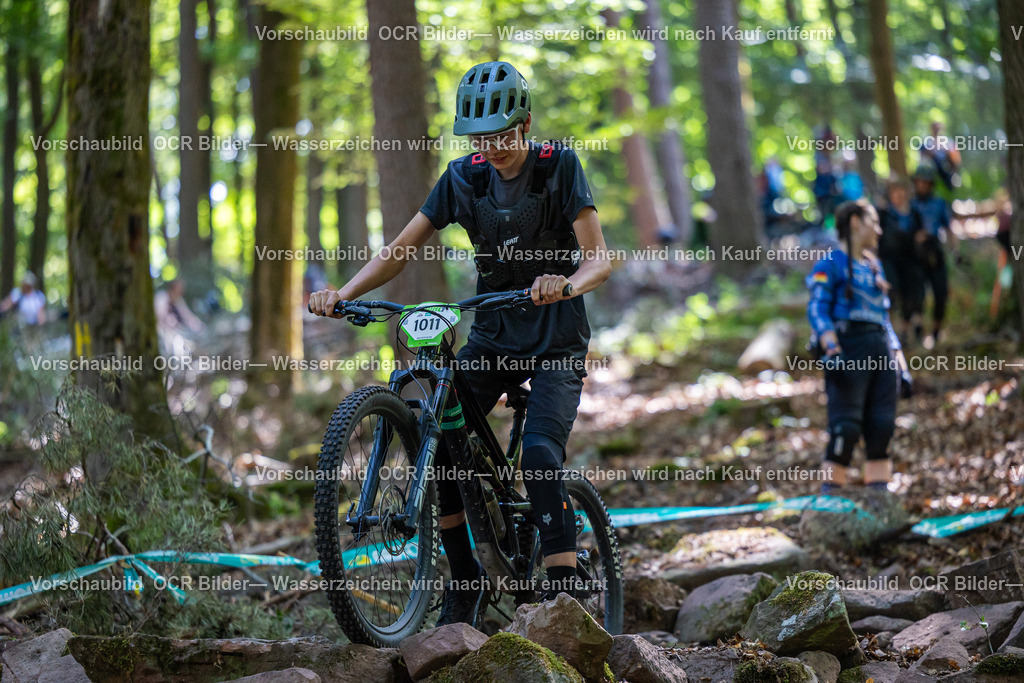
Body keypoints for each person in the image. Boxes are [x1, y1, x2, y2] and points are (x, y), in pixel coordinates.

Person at [308, 61, 611, 627]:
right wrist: (343, 293)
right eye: (478, 138)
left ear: (525, 124)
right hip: (493, 337)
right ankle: (465, 578)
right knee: (441, 440)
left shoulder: (559, 167)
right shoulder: (464, 178)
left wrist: (565, 283)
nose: (490, 148)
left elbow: (600, 261)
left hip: (556, 343)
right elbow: (399, 250)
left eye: (501, 136)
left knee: (540, 457)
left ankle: (567, 590)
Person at [807, 199, 907, 493]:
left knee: (882, 426)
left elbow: (884, 317)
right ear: (854, 223)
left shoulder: (875, 267)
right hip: (848, 349)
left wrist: (900, 362)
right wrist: (831, 347)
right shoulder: (830, 264)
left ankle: (880, 502)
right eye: (873, 222)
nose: (879, 230)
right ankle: (829, 502)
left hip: (880, 350)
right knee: (846, 428)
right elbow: (817, 308)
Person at [910, 165, 955, 348]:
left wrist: (955, 251)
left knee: (940, 293)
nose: (921, 185)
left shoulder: (939, 204)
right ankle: (918, 331)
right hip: (915, 255)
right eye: (919, 182)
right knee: (917, 294)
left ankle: (936, 332)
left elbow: (949, 228)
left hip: (935, 252)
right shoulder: (910, 205)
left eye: (925, 182)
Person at [876, 177, 925, 342]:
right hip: (890, 259)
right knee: (893, 291)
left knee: (910, 294)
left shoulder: (914, 213)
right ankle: (889, 330)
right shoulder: (884, 213)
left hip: (910, 260)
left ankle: (907, 328)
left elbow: (920, 233)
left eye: (900, 191)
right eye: (894, 191)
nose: (898, 195)